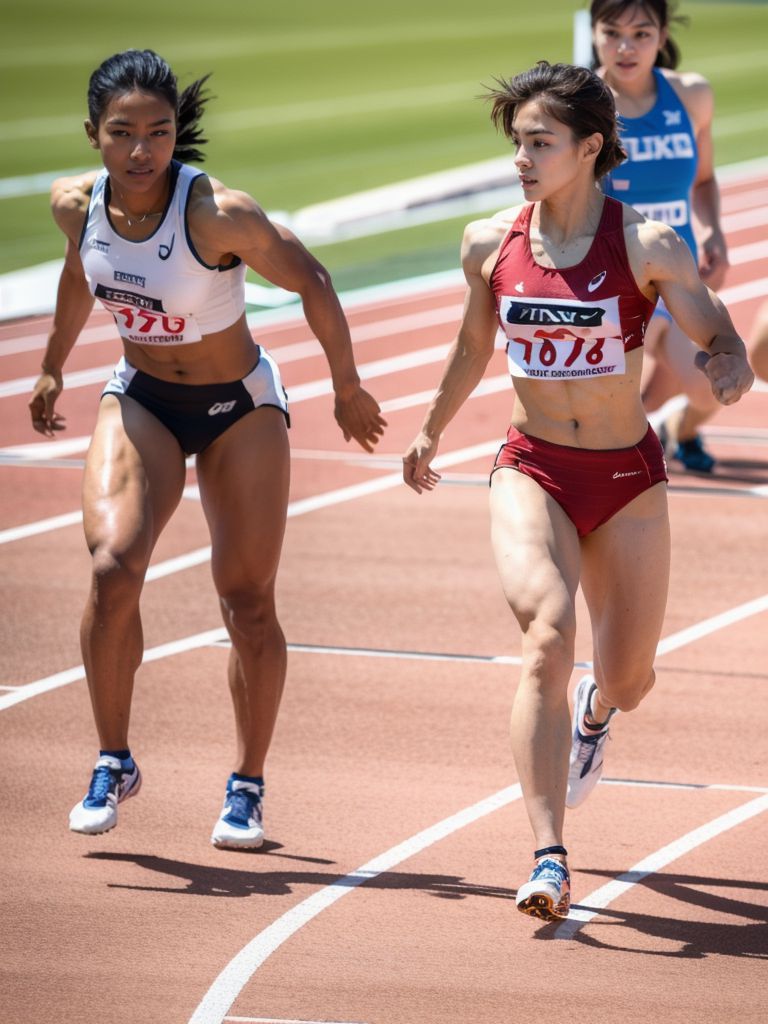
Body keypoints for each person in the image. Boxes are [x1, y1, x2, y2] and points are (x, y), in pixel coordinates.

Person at [402, 61, 753, 921]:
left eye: (540, 143)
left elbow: (715, 329)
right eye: (517, 143)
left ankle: (599, 712)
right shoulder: (489, 243)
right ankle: (548, 858)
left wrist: (730, 361)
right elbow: (472, 346)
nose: (522, 159)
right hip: (534, 468)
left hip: (626, 479)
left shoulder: (646, 245)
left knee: (629, 678)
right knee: (547, 638)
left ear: (590, 148)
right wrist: (430, 429)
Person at [28, 49, 386, 850]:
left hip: (237, 409)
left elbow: (313, 279)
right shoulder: (74, 206)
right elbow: (79, 274)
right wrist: (52, 364)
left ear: (176, 133)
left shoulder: (218, 214)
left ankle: (247, 785)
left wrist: (347, 387)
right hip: (144, 398)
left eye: (159, 132)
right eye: (123, 132)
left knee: (246, 601)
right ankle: (113, 760)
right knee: (112, 569)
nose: (142, 150)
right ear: (92, 134)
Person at [591, 0, 729, 473]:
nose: (625, 47)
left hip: (677, 274)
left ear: (663, 35)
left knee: (711, 385)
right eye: (612, 33)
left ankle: (678, 428)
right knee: (609, 409)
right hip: (612, 280)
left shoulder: (692, 95)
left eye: (641, 34)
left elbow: (704, 181)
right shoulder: (581, 106)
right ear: (593, 33)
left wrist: (713, 233)